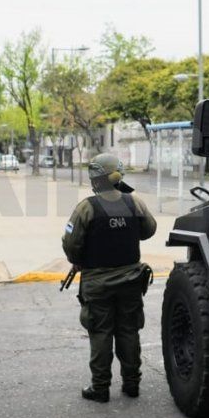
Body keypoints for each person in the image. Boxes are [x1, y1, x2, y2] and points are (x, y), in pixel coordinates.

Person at [62, 153, 156, 402]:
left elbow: (71, 244)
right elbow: (149, 230)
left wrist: (78, 259)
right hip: (131, 280)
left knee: (101, 333)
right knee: (128, 331)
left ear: (96, 178)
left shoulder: (86, 207)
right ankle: (132, 384)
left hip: (98, 283)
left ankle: (100, 388)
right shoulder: (134, 202)